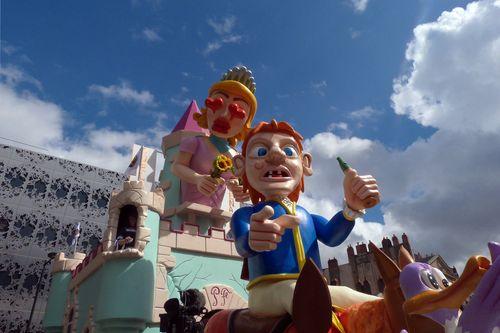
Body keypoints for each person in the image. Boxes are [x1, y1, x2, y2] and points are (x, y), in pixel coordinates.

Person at [231, 120, 381, 318]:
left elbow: (331, 236)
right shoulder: (245, 215)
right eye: (261, 151)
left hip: (314, 287)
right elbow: (242, 246)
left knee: (361, 299)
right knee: (296, 295)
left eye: (289, 151)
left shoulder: (305, 215)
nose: (277, 155)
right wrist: (252, 239)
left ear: (305, 163)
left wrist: (352, 208)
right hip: (266, 291)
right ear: (240, 165)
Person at [171, 66, 256, 208]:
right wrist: (197, 179)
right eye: (218, 104)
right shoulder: (194, 142)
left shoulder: (236, 157)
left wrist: (240, 189)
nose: (223, 116)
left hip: (216, 217)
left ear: (245, 123)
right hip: (186, 212)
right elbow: (177, 167)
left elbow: (240, 183)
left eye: (237, 111)